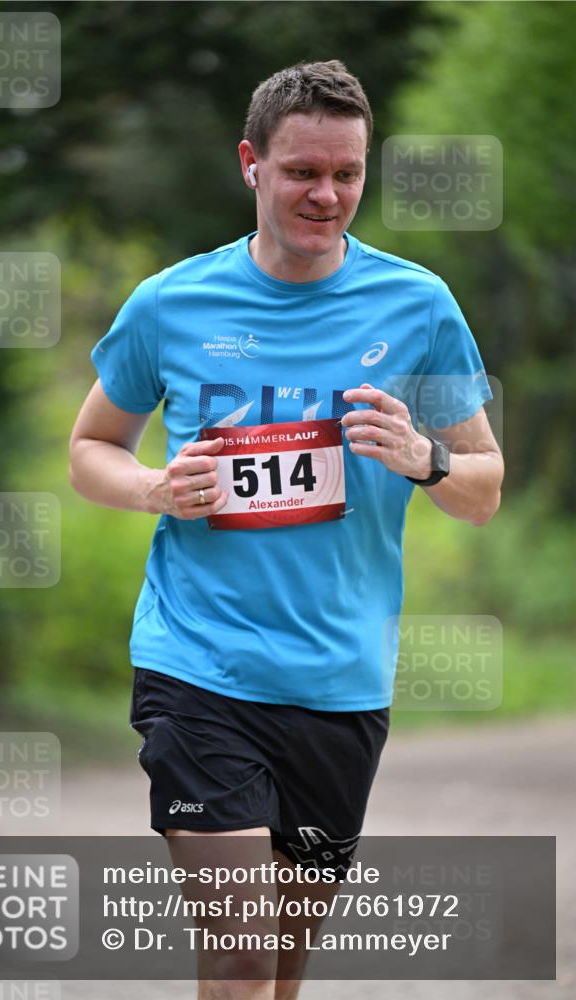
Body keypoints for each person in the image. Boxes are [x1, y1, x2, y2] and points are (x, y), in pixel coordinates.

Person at [69, 60, 504, 1000]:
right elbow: (90, 448)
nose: (327, 194)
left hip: (338, 680)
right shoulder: (171, 303)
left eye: (346, 173)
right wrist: (154, 488)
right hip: (199, 666)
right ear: (250, 165)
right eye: (303, 171)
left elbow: (481, 487)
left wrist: (422, 459)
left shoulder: (416, 307)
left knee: (285, 967)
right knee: (239, 957)